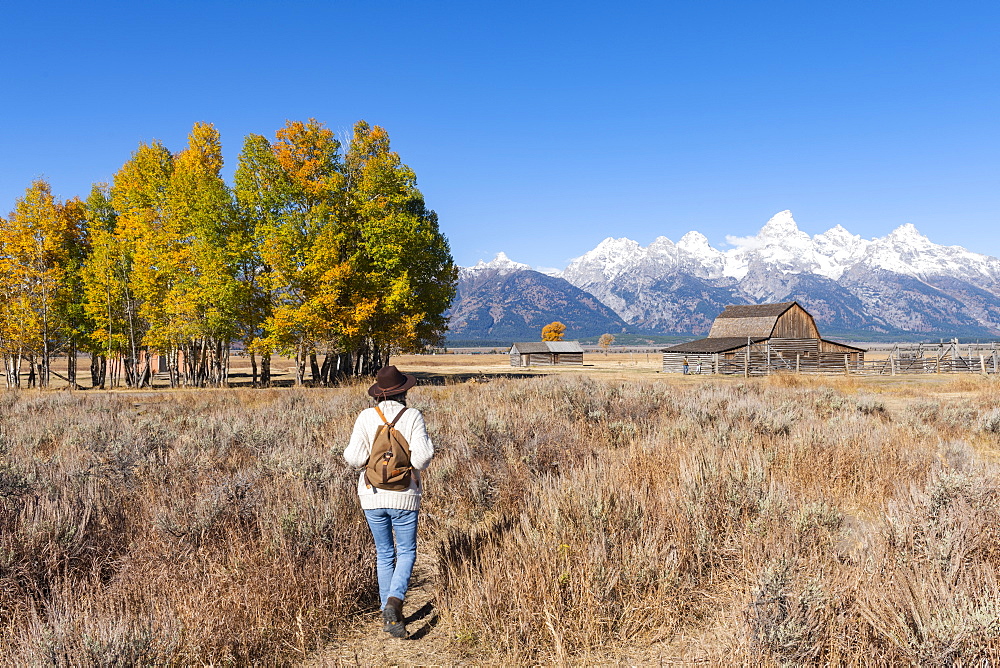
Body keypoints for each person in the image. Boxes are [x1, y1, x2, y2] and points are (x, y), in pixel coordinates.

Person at [343, 365, 434, 638]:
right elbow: (422, 459)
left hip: (371, 495)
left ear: (377, 394)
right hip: (405, 495)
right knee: (406, 552)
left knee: (384, 554)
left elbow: (354, 458)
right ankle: (395, 602)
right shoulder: (413, 416)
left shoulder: (365, 417)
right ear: (404, 391)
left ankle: (388, 615)